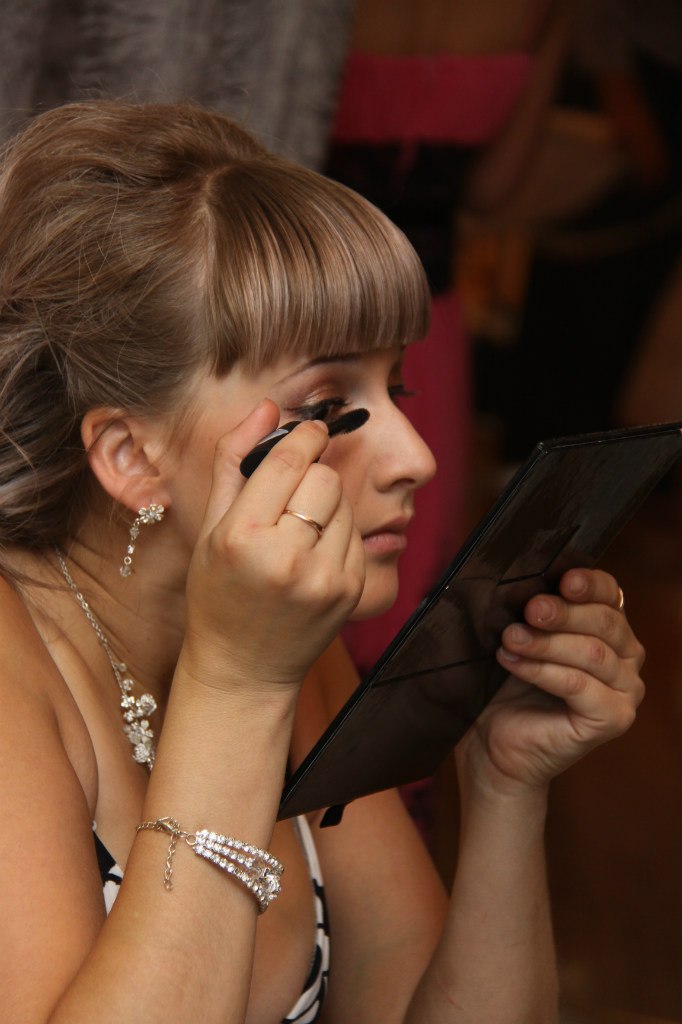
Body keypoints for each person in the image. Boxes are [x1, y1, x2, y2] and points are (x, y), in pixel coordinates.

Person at [0, 100, 644, 1024]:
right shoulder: (23, 667)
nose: (416, 456)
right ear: (131, 456)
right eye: (330, 408)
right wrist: (237, 689)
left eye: (399, 388)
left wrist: (505, 786)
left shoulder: (294, 655)